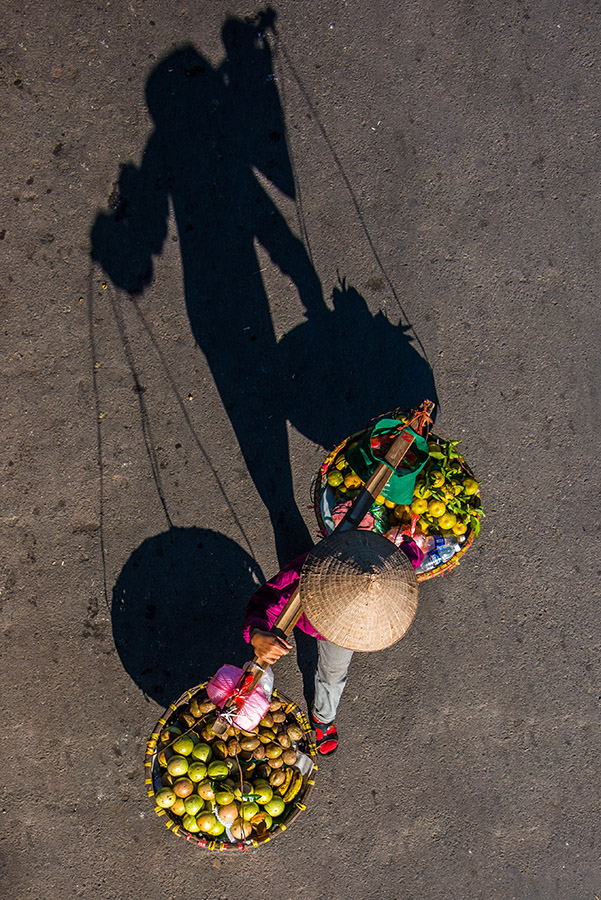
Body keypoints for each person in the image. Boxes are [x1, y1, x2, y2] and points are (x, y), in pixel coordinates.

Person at [242, 537, 423, 755]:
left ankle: (323, 717)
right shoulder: (303, 578)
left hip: (344, 637)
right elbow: (263, 604)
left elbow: (407, 559)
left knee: (334, 673)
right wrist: (256, 635)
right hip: (308, 617)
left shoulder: (389, 572)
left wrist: (416, 545)